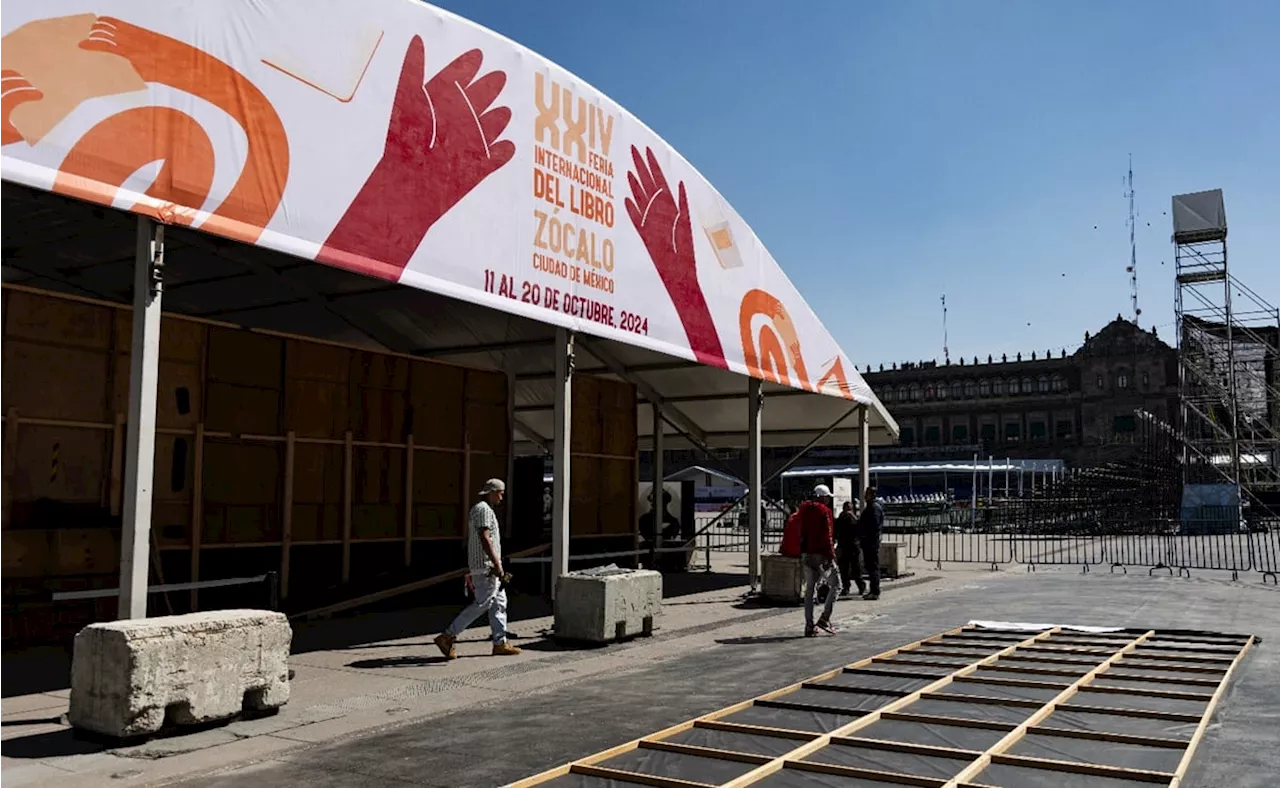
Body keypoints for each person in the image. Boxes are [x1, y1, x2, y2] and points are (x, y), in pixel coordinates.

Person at [434, 479, 521, 659]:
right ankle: (448, 635)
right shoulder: (482, 509)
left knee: (499, 603)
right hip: (485, 566)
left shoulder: (485, 509)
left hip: (489, 566)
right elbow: (485, 537)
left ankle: (500, 642)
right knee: (484, 603)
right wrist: (496, 564)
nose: (502, 497)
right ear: (491, 492)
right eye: (500, 492)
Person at [797, 484, 839, 636]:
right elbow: (827, 535)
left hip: (807, 554)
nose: (828, 500)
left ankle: (809, 626)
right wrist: (831, 555)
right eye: (827, 497)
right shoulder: (824, 511)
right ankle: (824, 618)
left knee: (809, 590)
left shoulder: (804, 510)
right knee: (836, 584)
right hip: (822, 554)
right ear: (823, 497)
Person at [852, 485, 885, 600]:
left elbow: (874, 526)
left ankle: (874, 591)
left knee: (872, 567)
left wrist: (864, 536)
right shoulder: (872, 507)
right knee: (870, 566)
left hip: (870, 543)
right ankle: (873, 590)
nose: (865, 496)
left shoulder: (874, 508)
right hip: (869, 542)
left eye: (867, 493)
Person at [834, 500, 859, 597]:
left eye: (849, 508)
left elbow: (858, 528)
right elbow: (836, 531)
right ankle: (846, 587)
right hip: (843, 546)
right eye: (846, 508)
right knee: (844, 569)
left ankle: (861, 586)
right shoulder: (841, 518)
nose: (848, 510)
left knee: (856, 569)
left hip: (853, 546)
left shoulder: (854, 518)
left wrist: (852, 516)